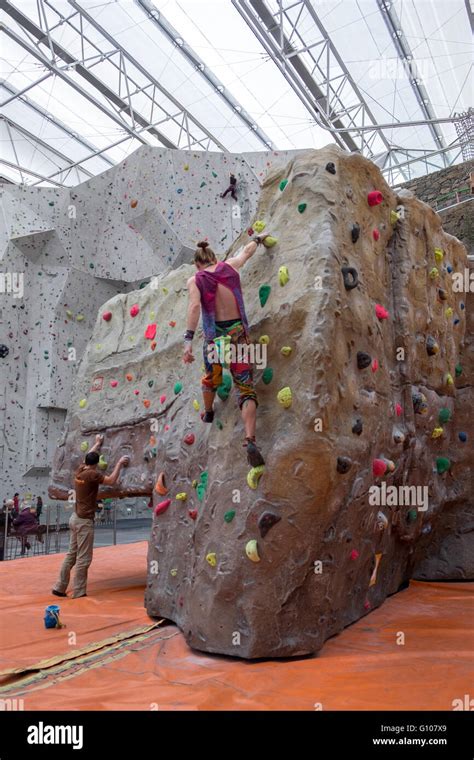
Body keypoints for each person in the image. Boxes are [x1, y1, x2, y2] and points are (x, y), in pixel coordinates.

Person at [183, 238, 268, 467]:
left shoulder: (196, 280)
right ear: (215, 259)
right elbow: (246, 253)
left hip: (216, 338)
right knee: (245, 386)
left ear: (197, 265)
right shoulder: (230, 266)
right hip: (237, 332)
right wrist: (257, 240)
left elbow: (194, 308)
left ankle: (209, 411)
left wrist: (188, 340)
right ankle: (250, 439)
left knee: (212, 378)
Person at [52, 435, 130, 599]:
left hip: (75, 517)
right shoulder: (93, 475)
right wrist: (119, 464)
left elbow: (88, 455)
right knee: (84, 558)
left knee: (71, 555)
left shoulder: (80, 470)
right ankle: (79, 591)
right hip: (84, 522)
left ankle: (59, 587)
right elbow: (111, 480)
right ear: (95, 465)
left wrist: (97, 444)